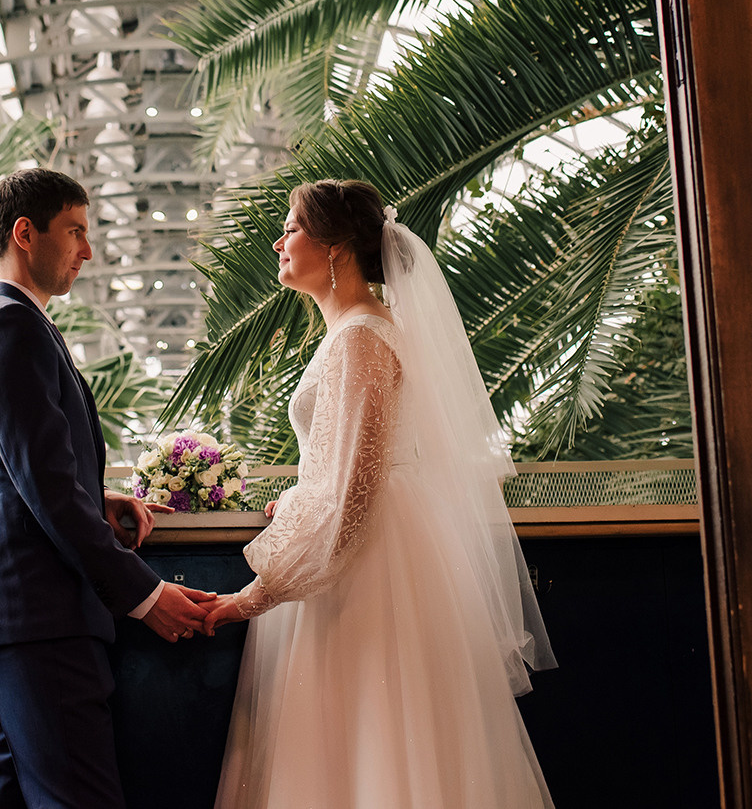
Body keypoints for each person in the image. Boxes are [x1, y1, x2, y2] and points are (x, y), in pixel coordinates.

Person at [199, 180, 558, 808]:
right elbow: (347, 467)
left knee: (368, 746)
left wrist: (254, 597)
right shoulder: (356, 332)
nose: (279, 241)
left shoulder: (361, 337)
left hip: (367, 573)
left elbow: (355, 493)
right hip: (372, 552)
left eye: (292, 227)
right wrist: (300, 494)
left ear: (335, 247)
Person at [0, 166, 215, 809]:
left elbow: (19, 474)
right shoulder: (11, 329)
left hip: (11, 615)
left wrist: (99, 498)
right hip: (41, 617)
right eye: (74, 232)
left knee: (4, 799)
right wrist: (146, 596)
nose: (87, 252)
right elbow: (45, 491)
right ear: (24, 232)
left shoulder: (7, 325)